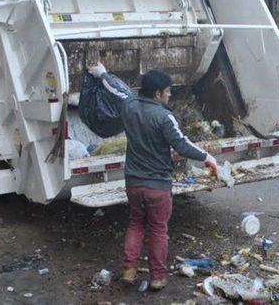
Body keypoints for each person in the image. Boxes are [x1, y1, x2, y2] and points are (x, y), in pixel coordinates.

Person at [88, 62, 217, 290]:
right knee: (158, 230)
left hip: (134, 182)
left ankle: (129, 271)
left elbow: (116, 89)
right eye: (167, 92)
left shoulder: (129, 106)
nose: (169, 97)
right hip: (158, 185)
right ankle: (157, 277)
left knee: (136, 224)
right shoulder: (164, 117)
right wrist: (208, 157)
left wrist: (101, 74)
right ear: (157, 93)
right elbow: (182, 144)